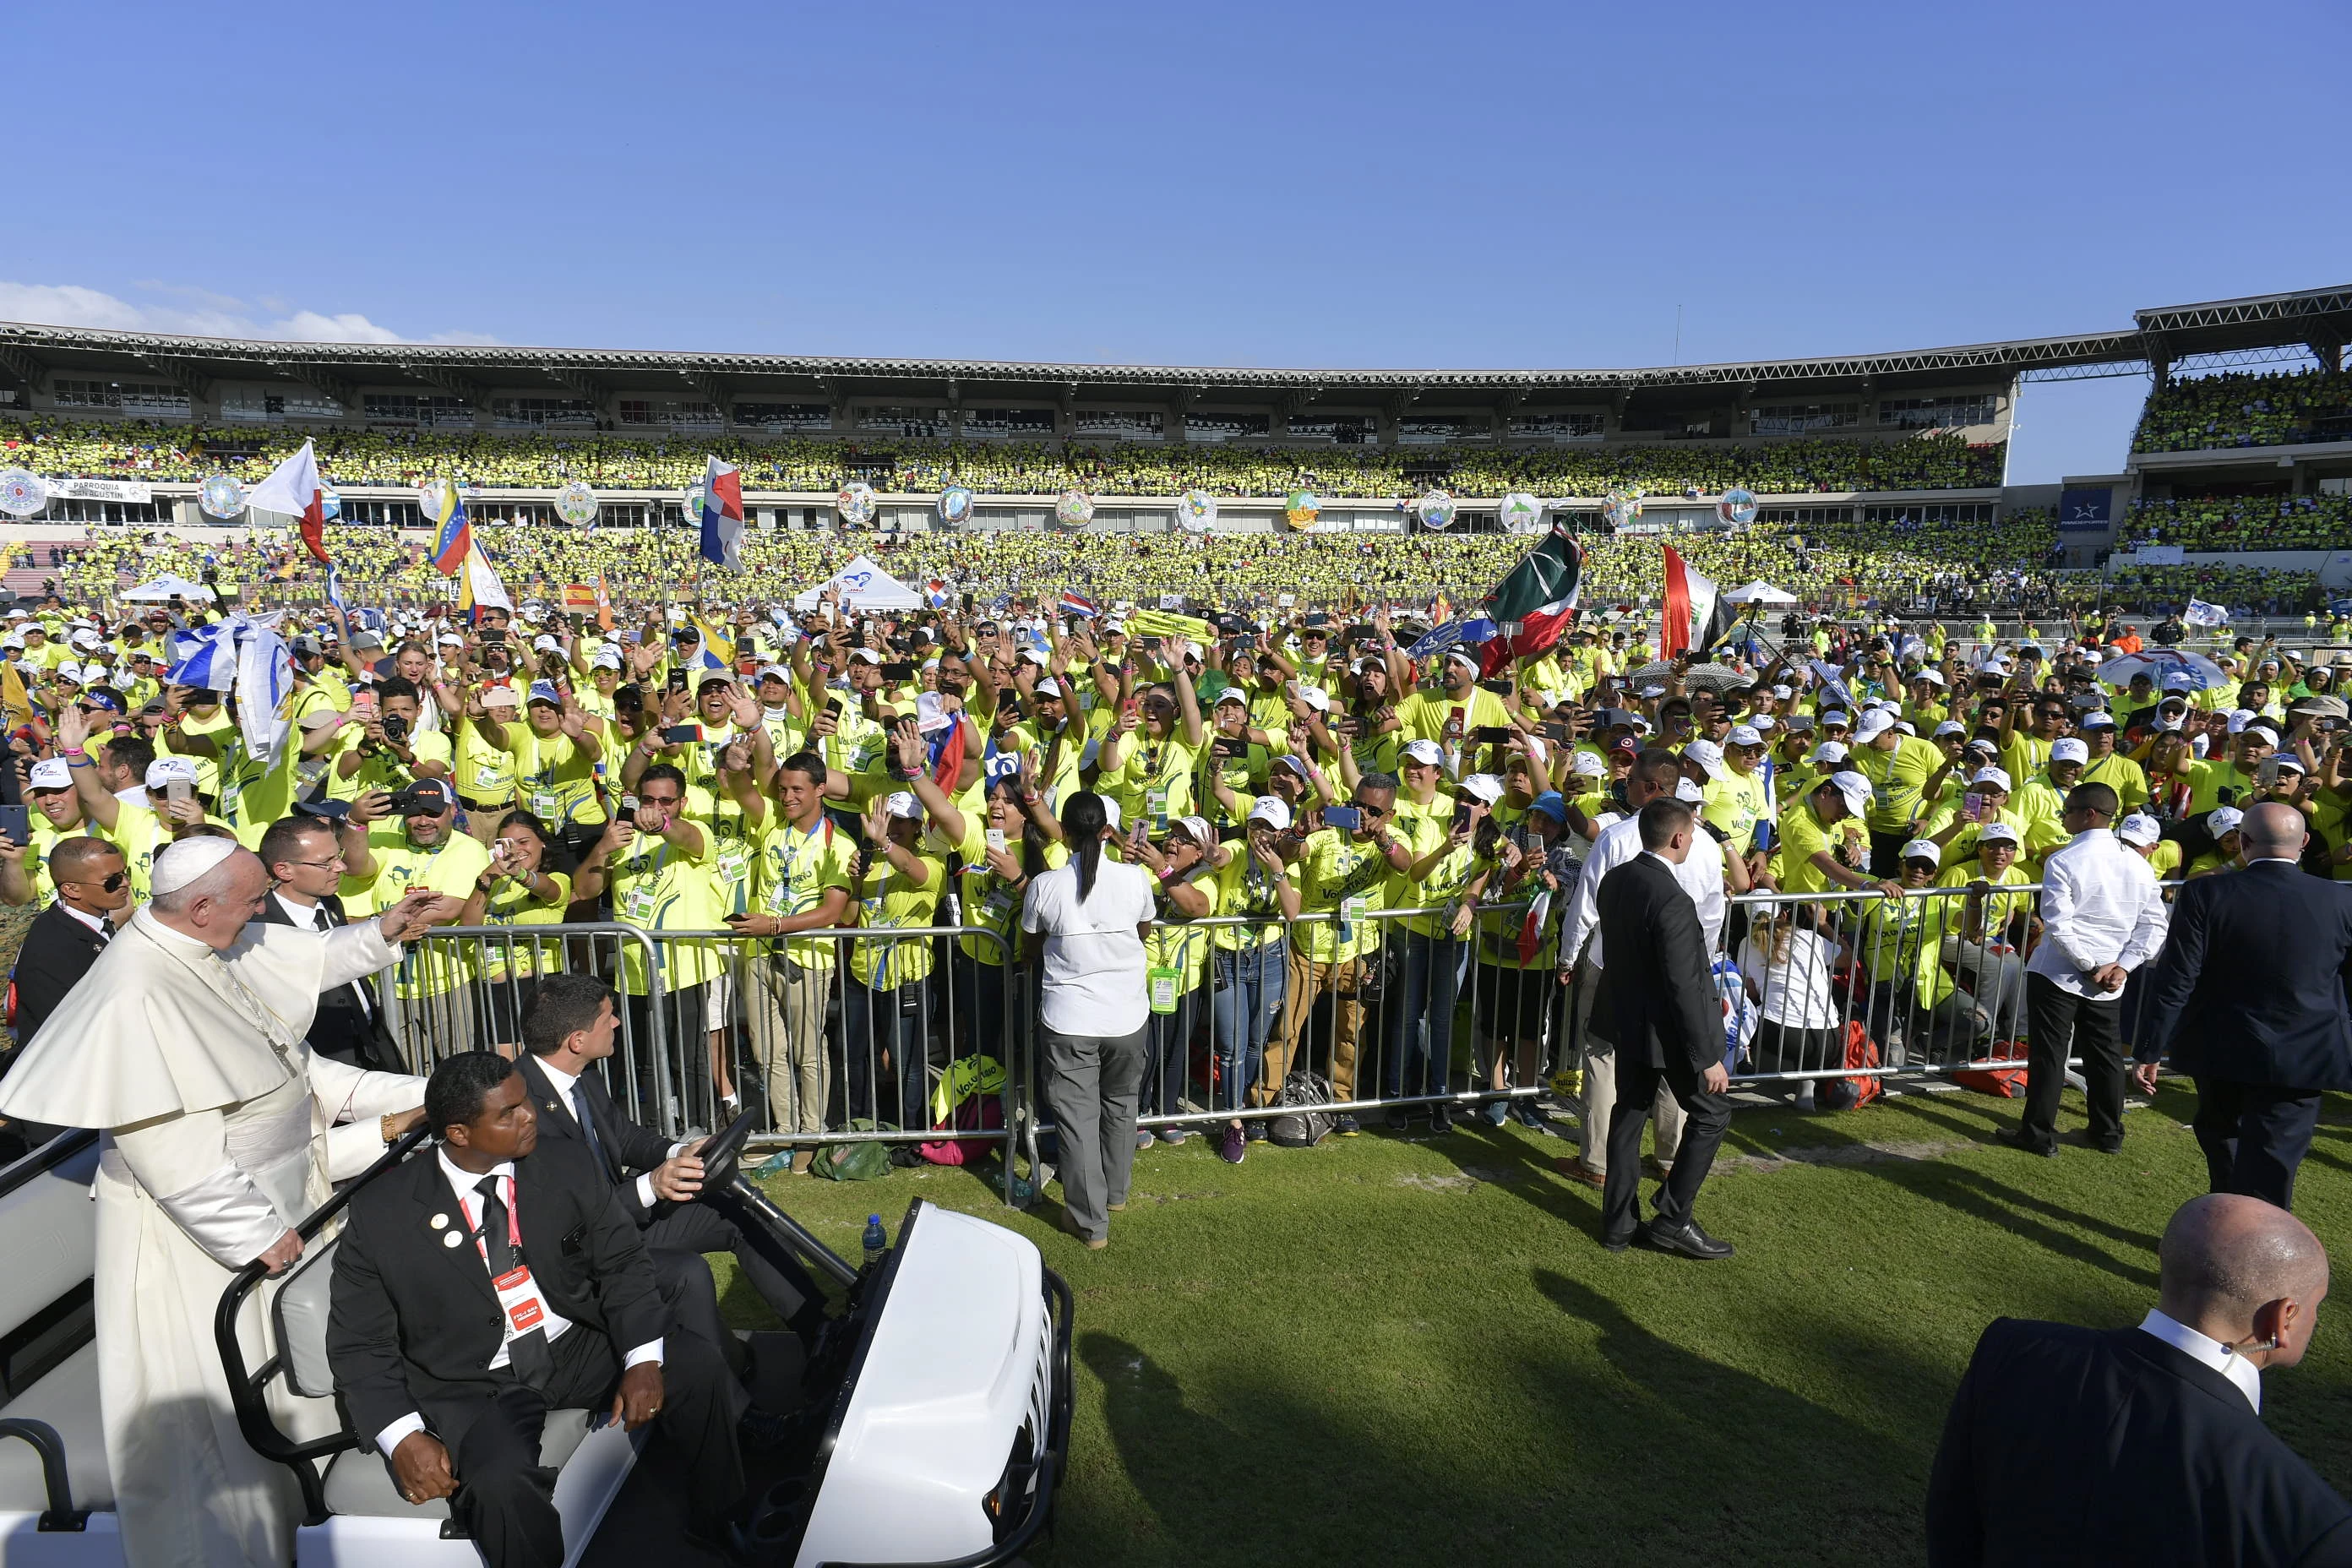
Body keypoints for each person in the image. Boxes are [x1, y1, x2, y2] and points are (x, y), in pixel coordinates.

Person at [0, 836, 449, 1568]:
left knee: (286, 1392)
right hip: (200, 1249)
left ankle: (299, 1521)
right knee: (213, 1433)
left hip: (285, 1211)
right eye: (249, 901)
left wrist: (381, 934)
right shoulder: (136, 990)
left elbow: (292, 1017)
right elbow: (169, 1153)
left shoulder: (204, 941)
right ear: (203, 906)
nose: (260, 912)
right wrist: (257, 1238)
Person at [326, 1053, 747, 1568]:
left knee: (697, 1365)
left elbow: (621, 1262)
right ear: (458, 1133)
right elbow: (360, 1343)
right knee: (501, 1486)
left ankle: (718, 1517)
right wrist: (402, 1436)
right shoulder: (382, 1213)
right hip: (474, 1380)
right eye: (509, 1113)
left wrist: (641, 1359)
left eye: (525, 1100)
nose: (530, 1116)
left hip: (573, 1342)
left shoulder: (563, 1162)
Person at [1925, 1194, 2349, 1566]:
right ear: (2285, 1316)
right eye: (2318, 1304)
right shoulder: (2309, 1521)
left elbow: (1953, 1528)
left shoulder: (2013, 1351)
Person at [514, 972, 826, 1369]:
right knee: (686, 1273)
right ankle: (730, 1405)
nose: (617, 1024)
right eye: (607, 1017)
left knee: (739, 1211)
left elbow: (623, 1136)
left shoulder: (579, 1075)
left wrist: (682, 1150)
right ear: (576, 1040)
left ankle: (821, 1333)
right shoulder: (523, 1114)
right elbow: (571, 1220)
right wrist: (651, 1187)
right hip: (583, 1251)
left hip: (620, 1218)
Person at [2134, 800, 2352, 1209]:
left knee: (2227, 1143)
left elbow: (2177, 978)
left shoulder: (2205, 893)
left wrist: (2149, 1047)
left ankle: (2239, 1241)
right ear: (2304, 842)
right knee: (2269, 1157)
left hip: (2224, 1046)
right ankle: (2238, 1238)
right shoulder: (2341, 900)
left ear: (2244, 843)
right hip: (2304, 1052)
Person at [1591, 798, 1736, 1260]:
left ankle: (1618, 1226)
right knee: (1713, 1114)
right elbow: (1684, 984)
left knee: (1629, 1117)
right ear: (1677, 838)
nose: (1693, 842)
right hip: (1664, 1030)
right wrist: (1708, 1056)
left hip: (1627, 1021)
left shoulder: (1616, 879)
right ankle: (1673, 1217)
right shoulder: (1672, 898)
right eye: (1692, 835)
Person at [1021, 791, 1155, 1250]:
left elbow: (1030, 946)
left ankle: (1091, 1221)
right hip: (1126, 1015)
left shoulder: (1046, 885)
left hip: (1072, 1018)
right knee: (1121, 1103)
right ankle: (1113, 1196)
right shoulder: (1135, 879)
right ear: (1105, 831)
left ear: (1067, 832)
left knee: (1078, 1119)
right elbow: (1142, 931)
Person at [2012, 782, 2169, 1157]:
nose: (2062, 816)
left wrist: (2093, 965)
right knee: (2106, 1056)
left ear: (2089, 814)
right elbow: (2155, 924)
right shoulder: (2137, 863)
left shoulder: (2063, 859)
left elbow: (2056, 922)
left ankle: (2038, 1135)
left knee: (2050, 1056)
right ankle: (2108, 1133)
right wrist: (2123, 967)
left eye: (2066, 810)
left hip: (2060, 973)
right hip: (2108, 976)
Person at [254, 810, 401, 1071]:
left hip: (373, 1047)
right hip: (319, 1061)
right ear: (284, 870)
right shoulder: (260, 928)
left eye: (339, 856)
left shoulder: (332, 904)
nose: (341, 868)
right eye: (326, 862)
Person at [8, 834, 127, 1045]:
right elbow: (70, 1027)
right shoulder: (51, 947)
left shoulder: (95, 921)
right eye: (112, 881)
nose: (125, 883)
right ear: (71, 889)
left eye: (125, 874)